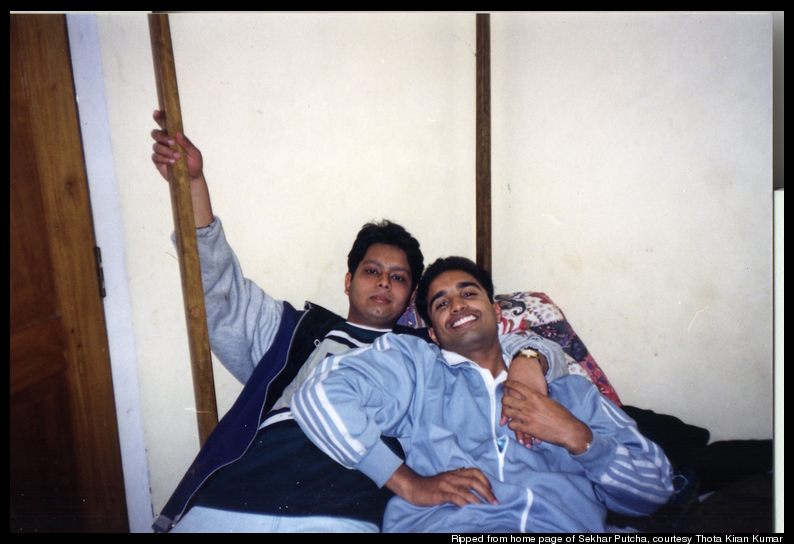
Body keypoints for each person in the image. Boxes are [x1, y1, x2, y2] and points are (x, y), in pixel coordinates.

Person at [148, 113, 567, 532]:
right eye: (372, 271)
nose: (384, 282)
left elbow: (494, 345)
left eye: (398, 278)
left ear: (411, 296)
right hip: (237, 498)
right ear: (348, 281)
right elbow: (220, 293)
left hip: (344, 511)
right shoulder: (296, 332)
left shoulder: (427, 352)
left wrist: (531, 357)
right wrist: (194, 185)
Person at [292, 256, 675, 533]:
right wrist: (406, 482)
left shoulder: (573, 393)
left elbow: (655, 489)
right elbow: (317, 394)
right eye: (442, 303)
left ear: (495, 311)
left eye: (468, 293)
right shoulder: (418, 371)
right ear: (433, 333)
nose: (457, 305)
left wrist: (577, 436)